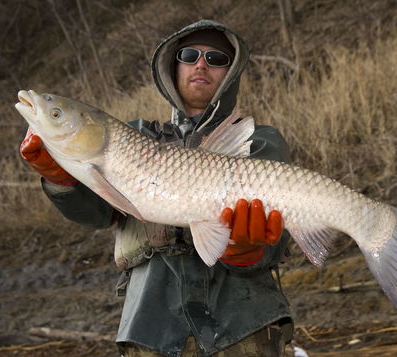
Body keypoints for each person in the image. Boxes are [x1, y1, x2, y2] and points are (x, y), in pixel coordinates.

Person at [20, 20, 293, 356]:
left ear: (231, 72)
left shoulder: (257, 141)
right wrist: (62, 180)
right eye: (190, 55)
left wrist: (249, 251)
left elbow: (282, 231)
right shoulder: (134, 136)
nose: (201, 64)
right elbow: (95, 214)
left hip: (245, 324)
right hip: (150, 326)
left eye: (217, 59)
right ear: (173, 67)